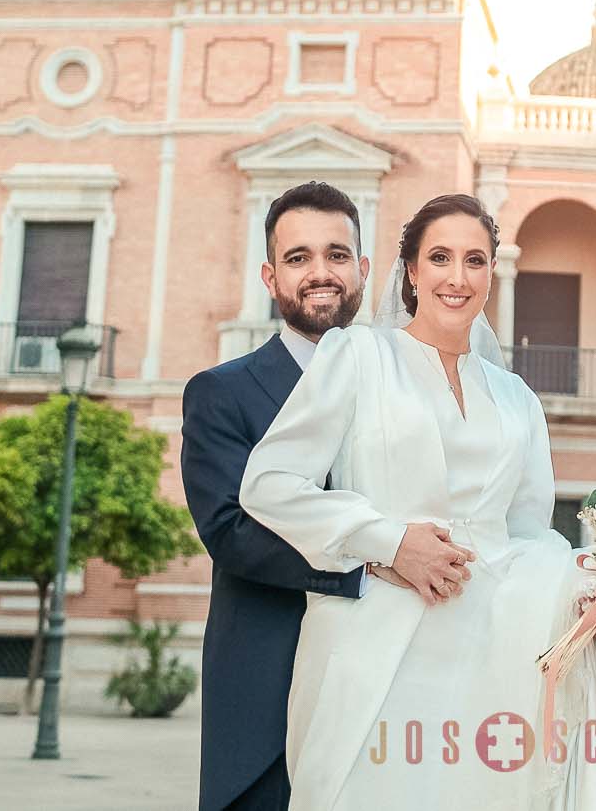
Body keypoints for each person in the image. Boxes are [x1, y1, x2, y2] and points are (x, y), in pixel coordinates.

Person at [239, 193, 596, 811]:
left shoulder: (517, 399)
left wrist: (585, 581)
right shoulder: (356, 357)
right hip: (378, 641)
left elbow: (529, 532)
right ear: (410, 271)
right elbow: (269, 483)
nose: (458, 277)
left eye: (475, 261)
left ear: (490, 275)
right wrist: (390, 540)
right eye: (441, 258)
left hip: (497, 649)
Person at [180, 181, 378, 811]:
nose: (320, 273)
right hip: (268, 689)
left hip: (386, 684)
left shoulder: (399, 390)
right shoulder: (221, 393)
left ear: (362, 269)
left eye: (336, 255)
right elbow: (229, 531)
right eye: (298, 259)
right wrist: (376, 564)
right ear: (270, 277)